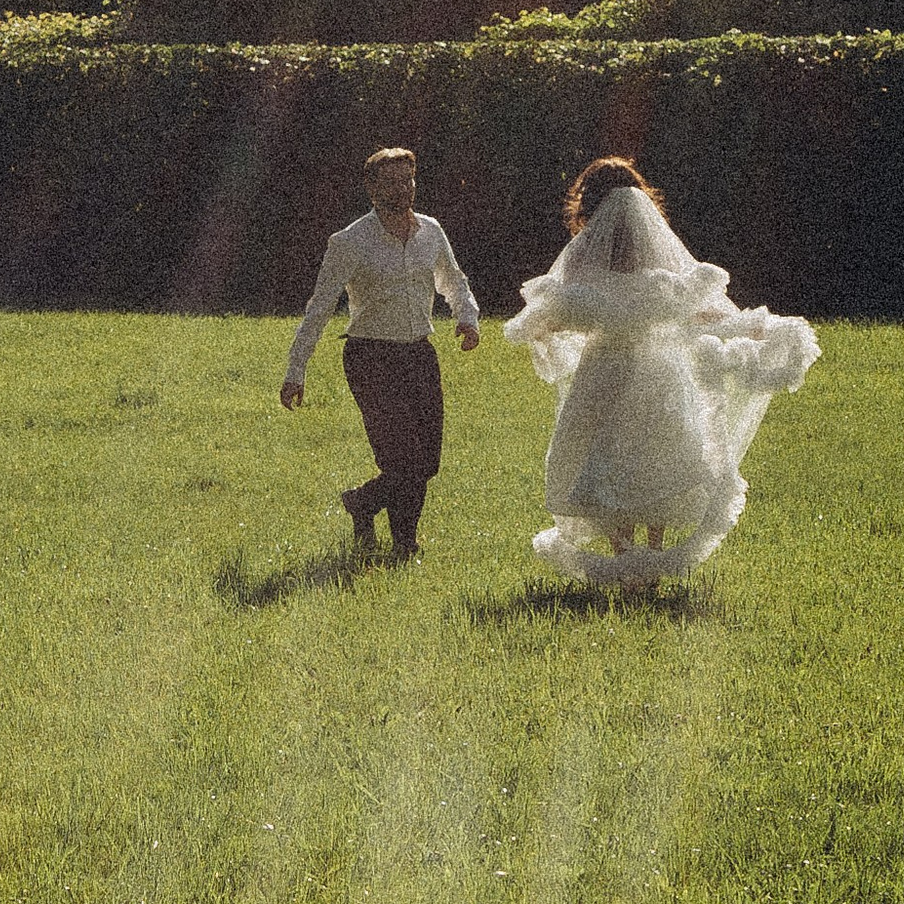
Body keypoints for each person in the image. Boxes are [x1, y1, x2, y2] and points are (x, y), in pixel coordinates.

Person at [504, 154, 817, 588]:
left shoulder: (583, 260)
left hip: (607, 371)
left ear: (588, 204)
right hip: (660, 371)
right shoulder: (660, 258)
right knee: (658, 459)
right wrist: (754, 326)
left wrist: (548, 329)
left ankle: (625, 558)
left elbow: (555, 314)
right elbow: (701, 311)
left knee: (607, 461)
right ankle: (650, 556)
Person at [279, 146, 481, 561]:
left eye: (407, 180)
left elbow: (453, 281)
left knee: (426, 463)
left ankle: (361, 503)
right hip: (371, 359)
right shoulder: (350, 241)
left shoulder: (431, 231)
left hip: (420, 355)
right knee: (403, 460)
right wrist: (296, 369)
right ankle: (405, 544)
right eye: (390, 182)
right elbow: (320, 307)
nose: (402, 189)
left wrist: (467, 317)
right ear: (371, 189)